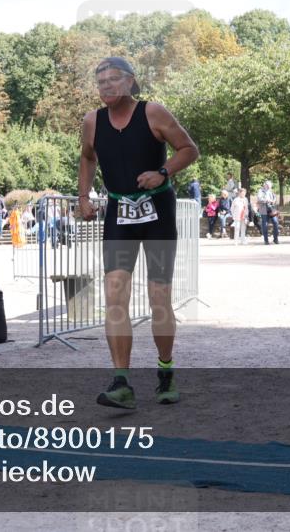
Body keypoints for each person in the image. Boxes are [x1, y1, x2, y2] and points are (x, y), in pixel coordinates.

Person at [77, 57, 199, 409]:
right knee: (114, 293)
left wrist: (163, 171)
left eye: (113, 80)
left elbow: (189, 149)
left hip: (157, 209)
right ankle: (122, 381)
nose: (106, 86)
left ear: (131, 82)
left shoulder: (153, 113)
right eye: (100, 82)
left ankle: (165, 370)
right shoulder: (92, 122)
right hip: (119, 211)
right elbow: (87, 158)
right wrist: (84, 196)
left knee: (158, 296)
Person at [257, 181, 279, 245]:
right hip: (264, 209)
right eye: (267, 185)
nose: (269, 187)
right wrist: (266, 200)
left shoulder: (271, 191)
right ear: (265, 185)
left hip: (271, 209)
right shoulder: (260, 191)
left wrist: (273, 201)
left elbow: (275, 198)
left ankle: (275, 239)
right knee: (265, 224)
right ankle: (266, 240)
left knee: (275, 222)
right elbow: (259, 198)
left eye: (270, 186)